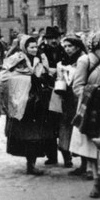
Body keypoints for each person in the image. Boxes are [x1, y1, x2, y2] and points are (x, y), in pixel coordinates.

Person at [0, 35, 56, 175]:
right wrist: (25, 79)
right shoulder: (16, 58)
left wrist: (44, 77)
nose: (34, 49)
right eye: (31, 47)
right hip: (21, 101)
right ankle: (30, 164)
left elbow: (44, 73)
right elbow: (4, 76)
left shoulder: (38, 59)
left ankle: (32, 164)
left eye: (36, 47)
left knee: (34, 135)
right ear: (24, 47)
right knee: (26, 135)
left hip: (35, 102)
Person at [69, 30, 100, 199]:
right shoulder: (85, 61)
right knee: (91, 145)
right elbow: (77, 86)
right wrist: (94, 93)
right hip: (90, 108)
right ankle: (96, 182)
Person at [57, 35, 87, 172]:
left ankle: (84, 163)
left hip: (79, 98)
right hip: (67, 97)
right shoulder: (64, 59)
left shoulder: (83, 59)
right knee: (66, 127)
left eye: (70, 46)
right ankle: (67, 156)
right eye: (66, 46)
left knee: (80, 129)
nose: (67, 49)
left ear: (77, 46)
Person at [38, 26, 66, 165]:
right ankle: (52, 156)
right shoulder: (41, 52)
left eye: (56, 38)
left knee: (64, 124)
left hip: (64, 91)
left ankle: (67, 157)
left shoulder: (65, 50)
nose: (54, 41)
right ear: (46, 40)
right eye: (50, 38)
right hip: (48, 91)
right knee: (49, 126)